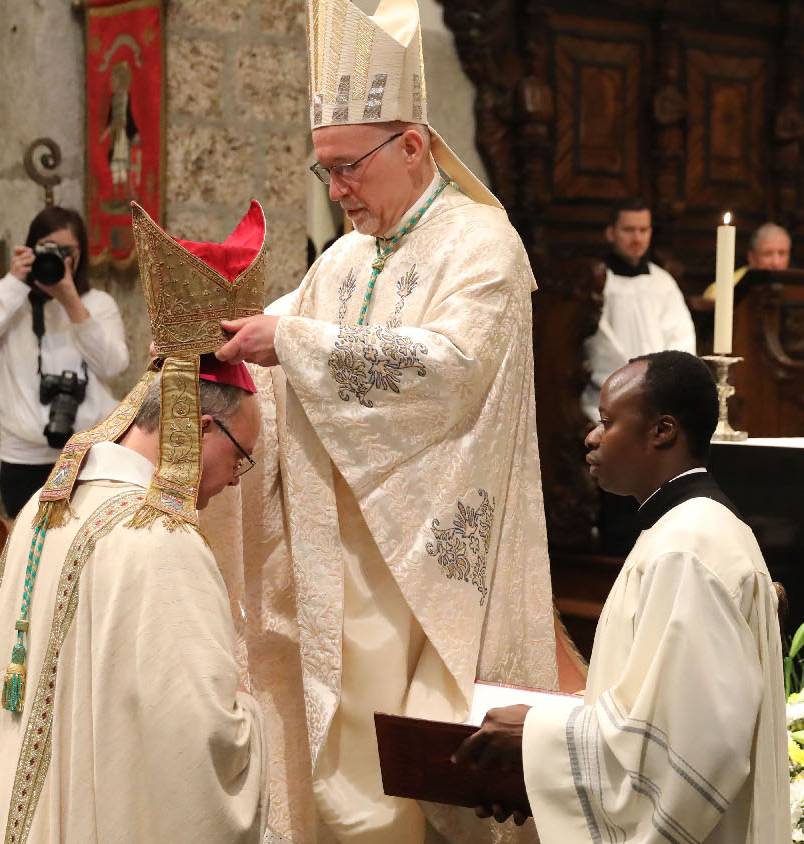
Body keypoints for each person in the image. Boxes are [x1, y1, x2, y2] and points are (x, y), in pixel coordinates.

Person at [210, 2, 563, 841]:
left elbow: (450, 365)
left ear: (413, 145)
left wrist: (290, 341)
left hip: (431, 549)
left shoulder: (484, 244)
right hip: (348, 547)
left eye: (347, 167)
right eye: (322, 170)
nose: (335, 190)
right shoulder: (345, 254)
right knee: (346, 742)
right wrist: (217, 333)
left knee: (424, 754)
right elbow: (285, 334)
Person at [0, 206, 270, 844]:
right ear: (202, 426)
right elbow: (201, 742)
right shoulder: (160, 543)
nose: (235, 480)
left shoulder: (44, 510)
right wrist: (260, 714)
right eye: (241, 457)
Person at [457, 350, 786, 844]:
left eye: (608, 421)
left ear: (662, 431)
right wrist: (530, 771)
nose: (591, 436)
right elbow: (645, 713)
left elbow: (695, 746)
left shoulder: (689, 546)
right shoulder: (682, 532)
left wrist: (535, 735)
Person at [0, 206, 129, 517]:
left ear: (81, 255)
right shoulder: (10, 301)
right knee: (29, 558)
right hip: (23, 459)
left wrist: (70, 300)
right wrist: (13, 283)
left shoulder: (97, 304)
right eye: (49, 248)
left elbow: (114, 364)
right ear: (30, 249)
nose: (58, 257)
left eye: (67, 250)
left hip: (88, 455)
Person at [581, 196, 697, 422]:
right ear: (611, 233)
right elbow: (599, 345)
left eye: (643, 230)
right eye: (629, 230)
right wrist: (634, 384)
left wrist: (662, 384)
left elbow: (681, 337)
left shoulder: (663, 282)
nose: (637, 238)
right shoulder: (599, 282)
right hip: (610, 398)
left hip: (661, 398)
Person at [703, 222, 791, 297]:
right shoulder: (721, 291)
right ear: (752, 257)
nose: (776, 262)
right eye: (767, 254)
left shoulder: (798, 288)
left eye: (782, 253)